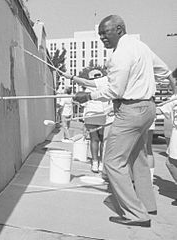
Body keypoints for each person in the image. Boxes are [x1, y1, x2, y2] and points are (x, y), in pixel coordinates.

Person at [71, 15, 176, 227]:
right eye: (100, 34)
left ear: (119, 29)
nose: (102, 38)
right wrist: (172, 92)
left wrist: (87, 96)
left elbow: (115, 90)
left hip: (131, 110)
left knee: (112, 162)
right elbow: (165, 71)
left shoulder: (119, 55)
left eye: (105, 33)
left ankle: (137, 214)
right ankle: (147, 205)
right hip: (148, 108)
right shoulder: (141, 47)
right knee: (138, 158)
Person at [83, 70, 111, 173]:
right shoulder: (103, 87)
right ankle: (98, 162)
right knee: (99, 139)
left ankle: (98, 162)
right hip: (95, 115)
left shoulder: (88, 89)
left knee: (98, 139)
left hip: (100, 115)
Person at [156, 95, 177, 206]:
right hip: (175, 134)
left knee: (171, 163)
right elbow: (160, 110)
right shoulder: (174, 98)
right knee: (170, 163)